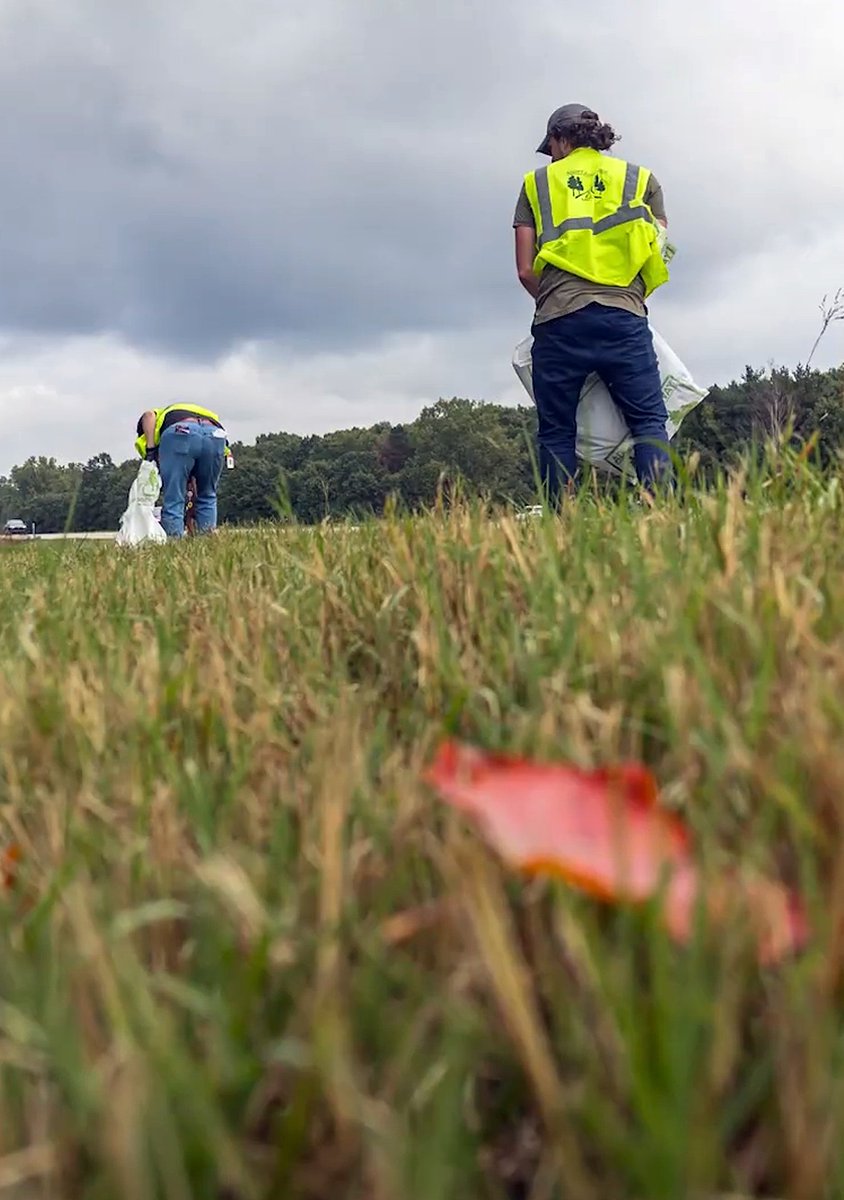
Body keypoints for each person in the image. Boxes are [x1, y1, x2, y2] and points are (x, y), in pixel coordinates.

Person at [514, 104, 672, 496]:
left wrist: (556, 299)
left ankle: (561, 530)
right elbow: (659, 250)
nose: (551, 156)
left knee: (556, 431)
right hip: (624, 317)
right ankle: (662, 518)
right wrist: (630, 297)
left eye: (550, 147)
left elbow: (524, 269)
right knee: (649, 421)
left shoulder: (536, 183)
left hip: (559, 321)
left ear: (559, 139)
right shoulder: (640, 180)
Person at [135, 403, 229, 538]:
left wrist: (150, 451)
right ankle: (207, 540)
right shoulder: (198, 411)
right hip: (215, 434)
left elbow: (148, 416)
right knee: (208, 494)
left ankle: (174, 541)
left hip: (180, 432)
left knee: (174, 496)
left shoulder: (159, 416)